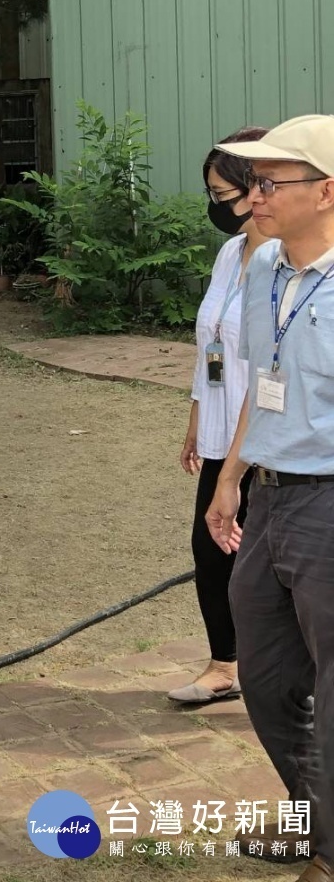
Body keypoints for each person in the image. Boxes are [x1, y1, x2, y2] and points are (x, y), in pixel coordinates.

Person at [207, 114, 334, 882]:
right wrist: (230, 475)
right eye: (251, 184)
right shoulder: (263, 270)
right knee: (265, 671)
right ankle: (316, 813)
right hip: (269, 494)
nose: (250, 199)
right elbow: (262, 379)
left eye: (268, 183)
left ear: (328, 192)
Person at [169, 127, 270, 705]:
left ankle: (277, 674)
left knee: (265, 563)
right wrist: (197, 417)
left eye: (222, 193)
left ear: (256, 189)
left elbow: (268, 374)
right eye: (209, 193)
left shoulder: (283, 262)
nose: (216, 206)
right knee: (210, 550)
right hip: (219, 431)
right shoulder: (230, 254)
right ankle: (224, 665)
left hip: (260, 437)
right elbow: (212, 347)